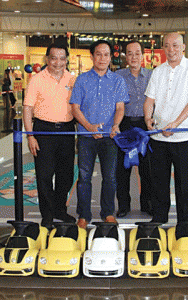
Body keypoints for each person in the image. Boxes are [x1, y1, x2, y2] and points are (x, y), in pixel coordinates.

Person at [144, 32, 188, 224]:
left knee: (184, 182)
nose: (171, 50)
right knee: (159, 181)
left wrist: (175, 125)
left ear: (183, 47)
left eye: (175, 45)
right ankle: (159, 218)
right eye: (167, 46)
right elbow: (149, 99)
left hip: (182, 137)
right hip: (158, 136)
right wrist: (147, 118)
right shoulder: (158, 71)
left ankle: (187, 223)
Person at [70, 40, 129, 229]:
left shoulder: (118, 81)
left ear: (111, 57)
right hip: (87, 137)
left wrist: (116, 125)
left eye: (106, 54)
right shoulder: (82, 79)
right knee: (84, 177)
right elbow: (75, 108)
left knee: (110, 177)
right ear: (92, 56)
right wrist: (89, 127)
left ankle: (108, 213)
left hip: (110, 138)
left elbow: (120, 107)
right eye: (98, 54)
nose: (102, 58)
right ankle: (84, 215)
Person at [23, 42, 76, 230]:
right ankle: (47, 215)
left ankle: (60, 210)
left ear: (67, 59)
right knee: (44, 175)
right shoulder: (37, 80)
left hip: (67, 130)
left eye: (62, 58)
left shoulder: (72, 79)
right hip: (43, 130)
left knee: (66, 175)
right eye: (54, 58)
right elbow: (27, 108)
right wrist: (30, 136)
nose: (58, 62)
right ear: (47, 59)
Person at [115, 41, 153, 218]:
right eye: (129, 53)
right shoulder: (118, 76)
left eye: (137, 53)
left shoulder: (152, 75)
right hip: (125, 125)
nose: (133, 57)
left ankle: (147, 204)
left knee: (147, 168)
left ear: (143, 55)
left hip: (146, 126)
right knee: (123, 169)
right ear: (125, 56)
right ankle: (123, 205)